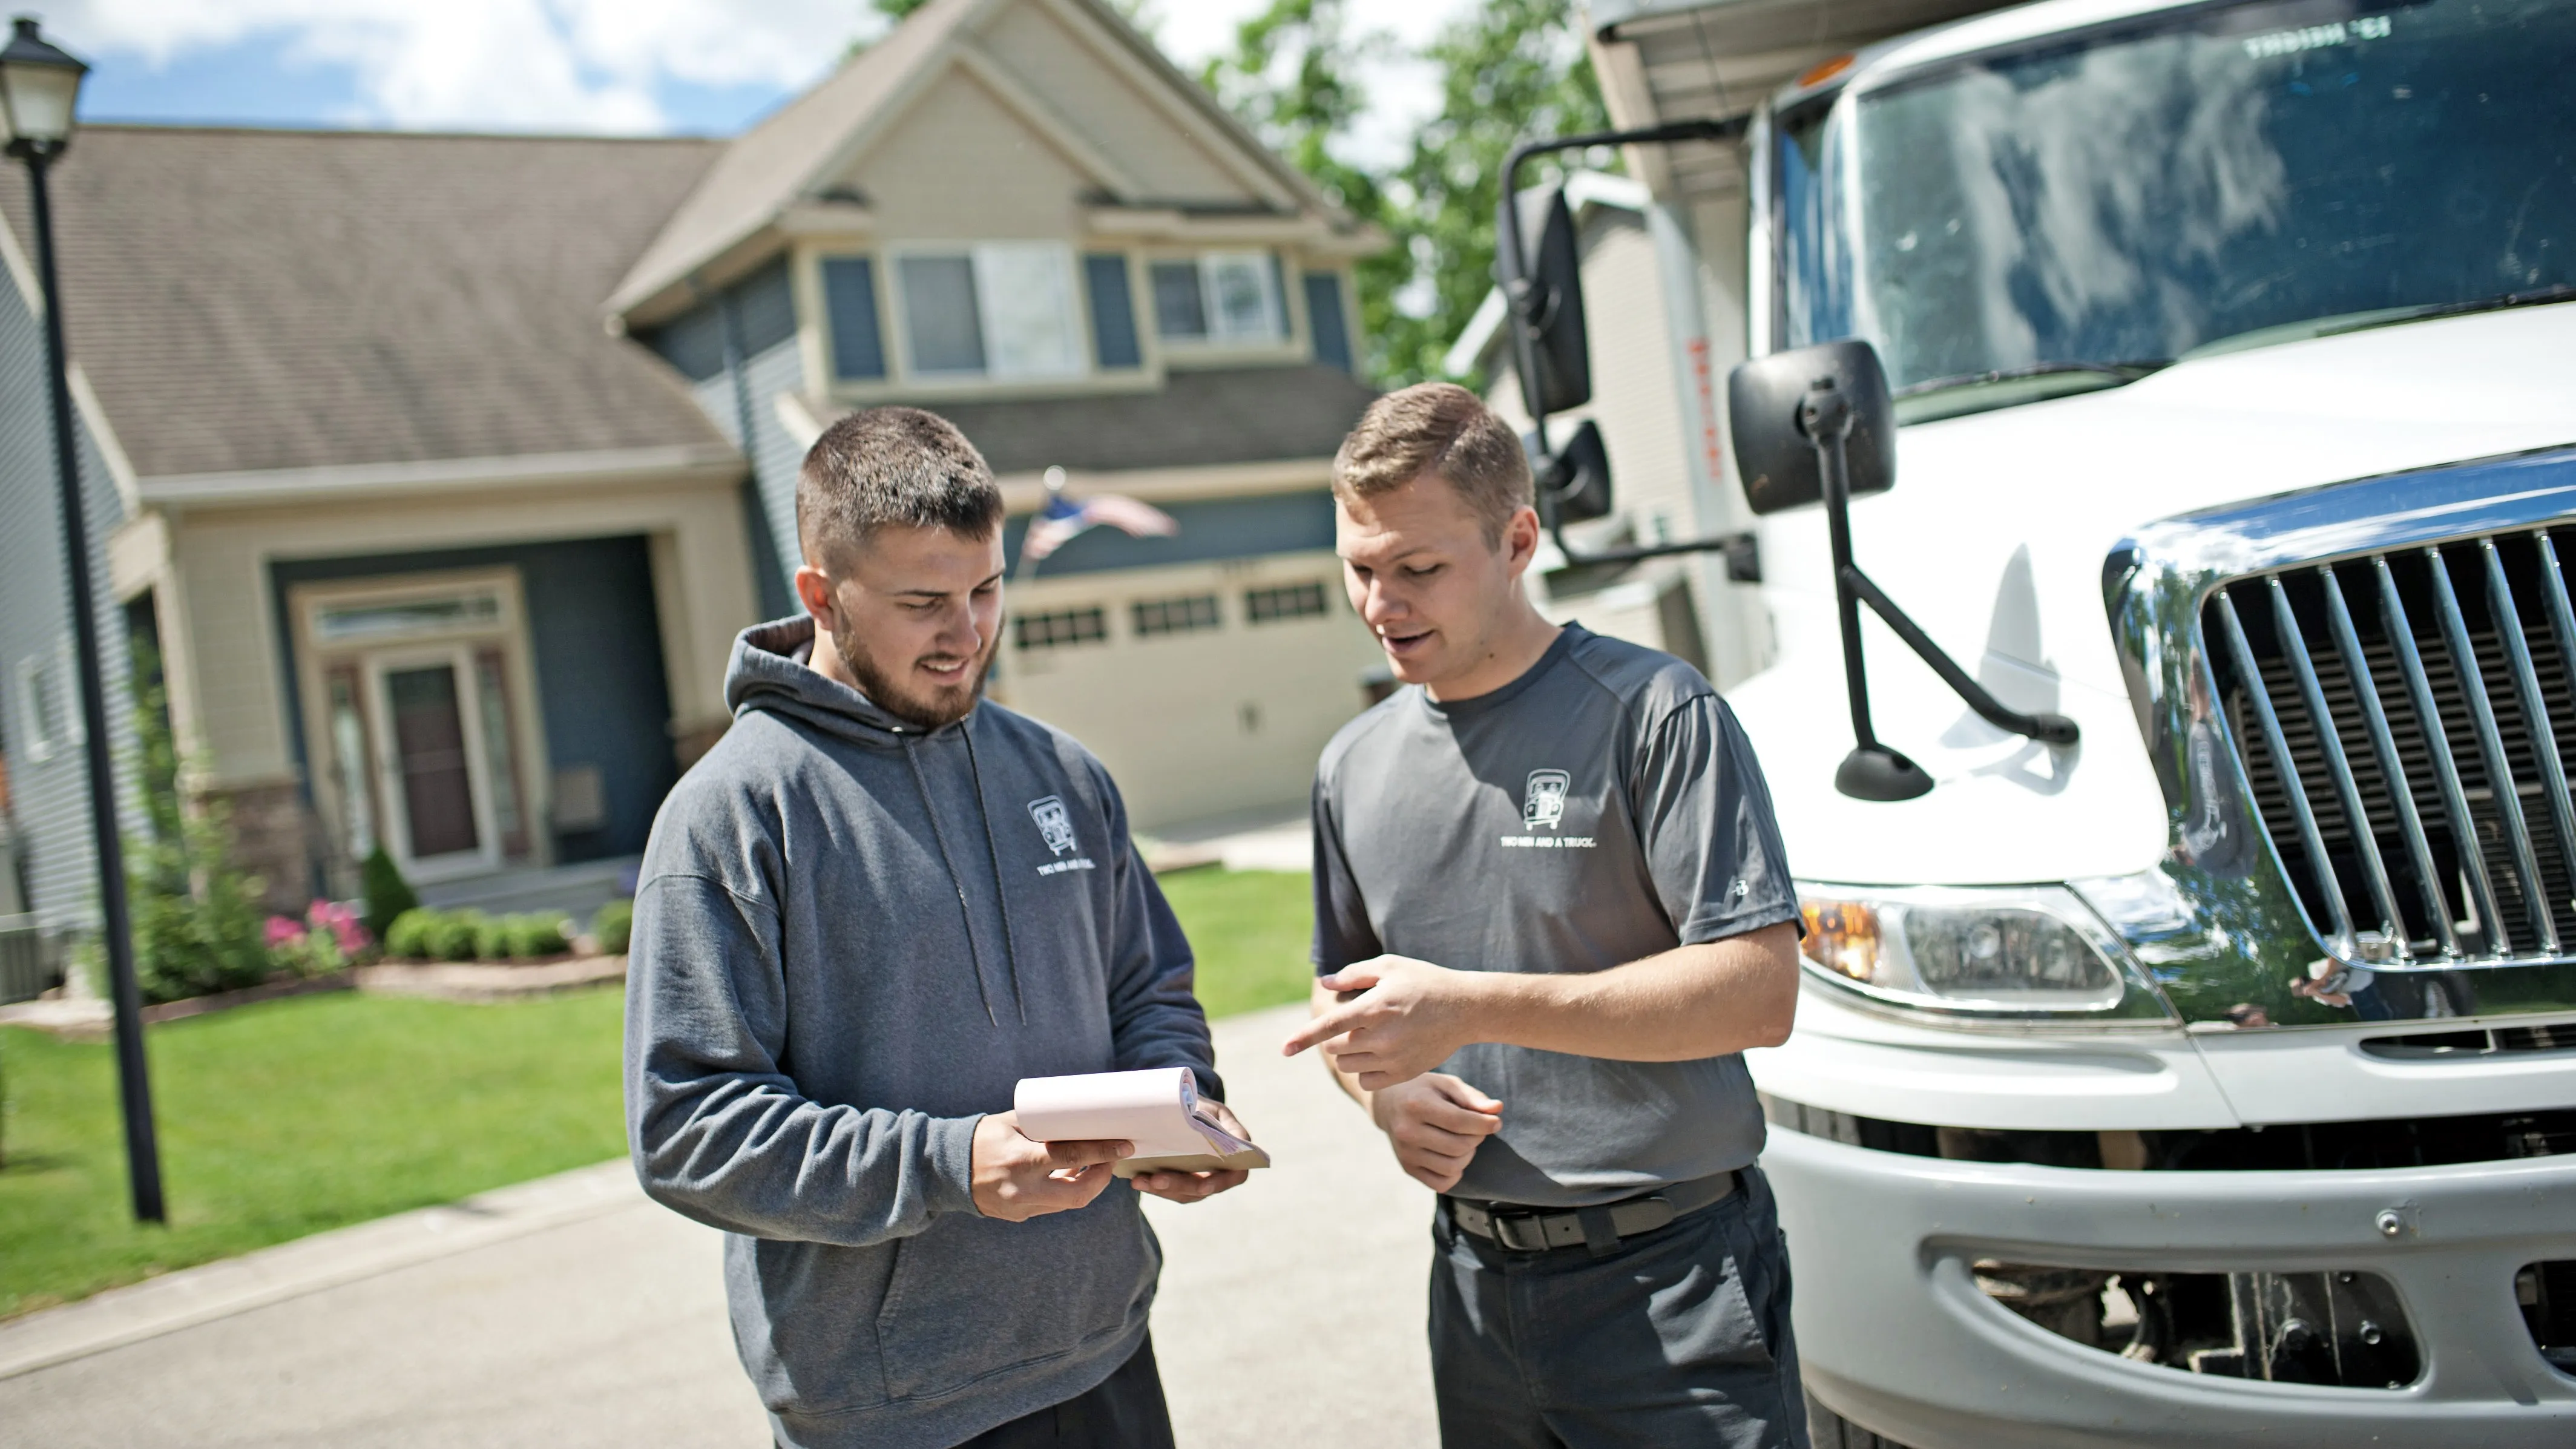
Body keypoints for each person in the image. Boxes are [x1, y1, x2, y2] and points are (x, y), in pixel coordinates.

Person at [625, 406, 1249, 1449]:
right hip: (895, 1411)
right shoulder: (732, 815)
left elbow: (1147, 989)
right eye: (923, 602)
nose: (967, 633)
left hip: (1103, 1351)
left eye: (986, 589)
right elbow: (688, 1126)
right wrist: (949, 1164)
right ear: (820, 595)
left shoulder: (1061, 773)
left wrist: (1177, 1110)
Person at [1284, 383, 1810, 1448]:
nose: (1383, 603)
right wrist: (1381, 1098)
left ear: (1518, 539)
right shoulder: (1352, 765)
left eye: (1419, 569)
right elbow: (1343, 996)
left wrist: (1471, 1007)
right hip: (1475, 1289)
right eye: (1360, 568)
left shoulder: (1658, 713)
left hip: (1673, 1281)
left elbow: (1758, 991)